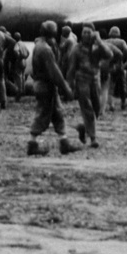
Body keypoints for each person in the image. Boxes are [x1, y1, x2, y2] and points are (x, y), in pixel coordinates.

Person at [27, 20, 79, 156]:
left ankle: (64, 142)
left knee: (57, 114)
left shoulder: (39, 45)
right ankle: (32, 144)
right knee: (43, 114)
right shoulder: (45, 49)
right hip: (46, 86)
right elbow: (54, 71)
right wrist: (65, 87)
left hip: (43, 85)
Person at [69, 26, 108, 146]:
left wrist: (100, 41)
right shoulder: (76, 49)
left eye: (89, 32)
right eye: (84, 32)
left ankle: (83, 129)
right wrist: (69, 84)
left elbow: (109, 54)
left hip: (95, 80)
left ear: (93, 34)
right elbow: (71, 67)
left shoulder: (97, 47)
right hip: (82, 81)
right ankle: (93, 138)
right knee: (88, 109)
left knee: (97, 109)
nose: (86, 34)